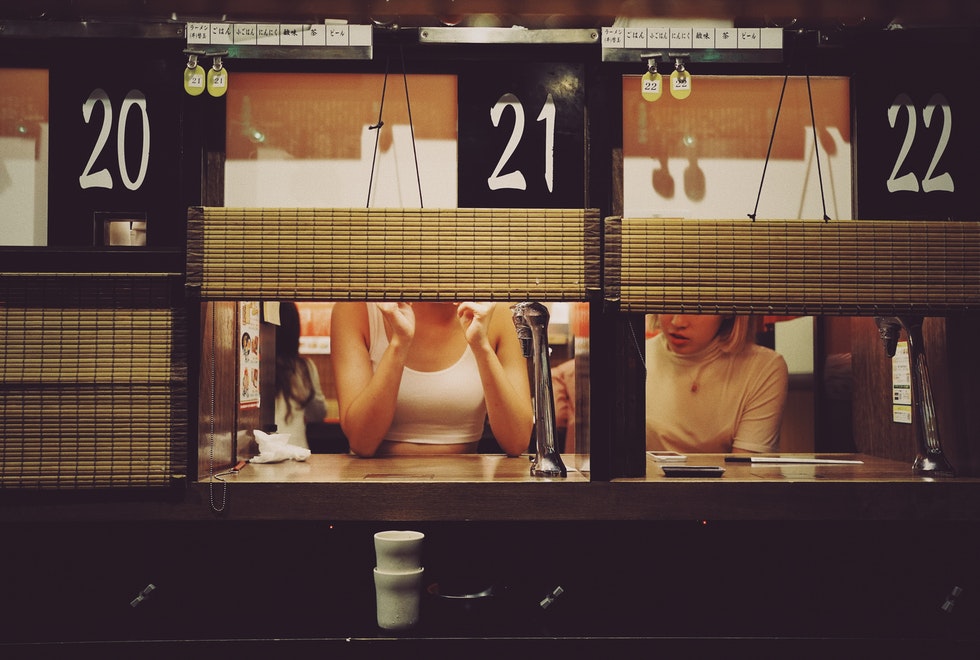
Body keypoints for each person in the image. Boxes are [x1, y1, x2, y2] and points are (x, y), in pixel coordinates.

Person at [330, 301, 533, 457]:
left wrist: (481, 347)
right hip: (374, 488)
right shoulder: (356, 308)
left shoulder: (497, 312)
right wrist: (399, 343)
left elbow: (517, 441)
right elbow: (361, 442)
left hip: (465, 492)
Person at [645, 314, 788, 454]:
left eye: (697, 308)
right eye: (670, 301)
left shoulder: (762, 367)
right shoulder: (638, 356)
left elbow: (743, 472)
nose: (678, 322)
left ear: (727, 312)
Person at [274, 302, 328, 450]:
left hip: (260, 454)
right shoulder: (304, 368)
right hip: (296, 452)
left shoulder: (254, 366)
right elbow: (318, 414)